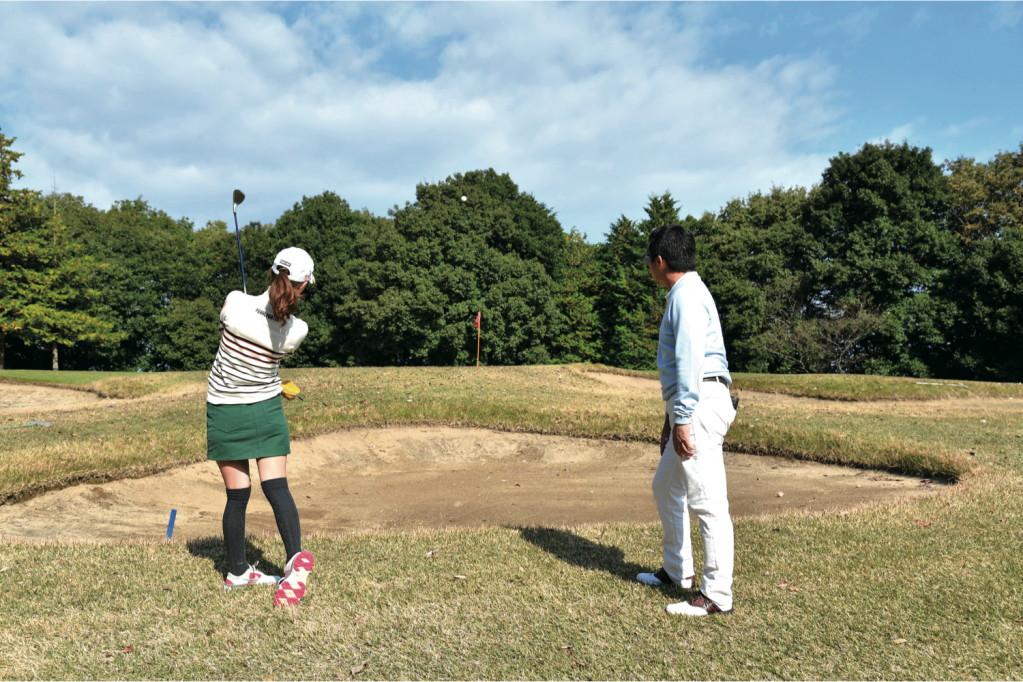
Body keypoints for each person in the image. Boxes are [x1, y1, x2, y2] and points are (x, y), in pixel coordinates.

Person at [635, 224, 738, 616]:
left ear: (660, 261)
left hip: (700, 404)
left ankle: (717, 595)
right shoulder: (684, 293)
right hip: (692, 403)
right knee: (666, 486)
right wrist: (671, 419)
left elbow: (690, 362)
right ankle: (678, 570)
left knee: (707, 500)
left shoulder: (687, 296)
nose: (649, 265)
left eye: (649, 260)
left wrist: (681, 419)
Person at [206, 246, 316, 608]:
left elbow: (236, 331)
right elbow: (267, 356)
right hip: (266, 408)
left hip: (224, 409)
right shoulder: (297, 330)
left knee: (237, 495)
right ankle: (294, 559)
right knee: (276, 487)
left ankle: (237, 571)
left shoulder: (234, 301)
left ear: (271, 271)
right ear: (303, 286)